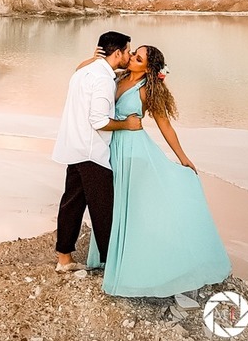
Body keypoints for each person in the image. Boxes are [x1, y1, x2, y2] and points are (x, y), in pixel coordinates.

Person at [85, 44, 232, 296]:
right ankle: (108, 253)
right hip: (111, 147)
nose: (132, 58)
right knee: (111, 200)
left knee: (132, 203)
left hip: (133, 151)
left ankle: (132, 260)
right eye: (133, 54)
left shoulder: (147, 91)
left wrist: (183, 158)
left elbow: (165, 127)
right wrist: (94, 59)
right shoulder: (116, 77)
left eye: (138, 58)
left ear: (149, 69)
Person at [51, 31, 142, 272]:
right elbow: (99, 121)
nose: (130, 55)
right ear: (117, 53)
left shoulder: (84, 72)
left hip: (73, 146)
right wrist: (127, 124)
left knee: (71, 204)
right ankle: (113, 265)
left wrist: (93, 60)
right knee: (104, 210)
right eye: (128, 51)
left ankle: (64, 260)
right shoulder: (102, 79)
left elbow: (81, 70)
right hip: (91, 151)